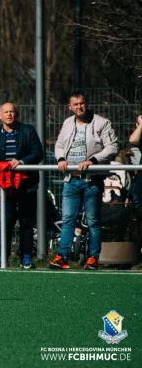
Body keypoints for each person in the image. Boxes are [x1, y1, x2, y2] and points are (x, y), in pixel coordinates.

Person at [49, 91, 118, 270]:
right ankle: (61, 257)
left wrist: (92, 161)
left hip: (91, 181)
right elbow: (59, 145)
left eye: (82, 103)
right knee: (67, 220)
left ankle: (93, 258)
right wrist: (61, 159)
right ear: (70, 107)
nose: (80, 106)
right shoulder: (67, 123)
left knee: (93, 221)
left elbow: (112, 147)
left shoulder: (102, 123)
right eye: (76, 104)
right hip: (71, 180)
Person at [0, 103, 43, 269]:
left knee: (26, 222)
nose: (9, 115)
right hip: (5, 188)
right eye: (6, 112)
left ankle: (26, 257)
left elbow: (38, 153)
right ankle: (2, 257)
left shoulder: (27, 131)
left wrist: (22, 161)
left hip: (26, 186)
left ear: (16, 114)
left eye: (12, 112)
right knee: (5, 222)